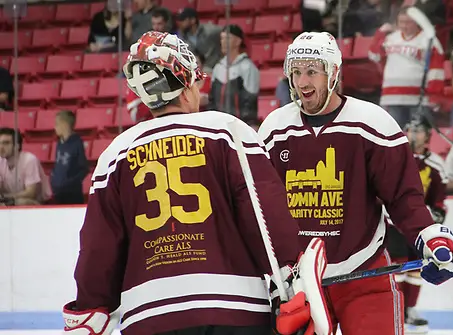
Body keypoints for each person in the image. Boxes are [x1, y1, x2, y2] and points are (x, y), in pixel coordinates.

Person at [62, 31, 329, 335]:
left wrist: (90, 305)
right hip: (235, 309)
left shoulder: (117, 152)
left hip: (149, 317)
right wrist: (292, 275)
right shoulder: (226, 130)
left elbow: (99, 245)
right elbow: (263, 212)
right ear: (186, 86)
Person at [258, 31, 453, 334]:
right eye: (296, 72)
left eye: (312, 71)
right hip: (299, 283)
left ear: (334, 73)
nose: (302, 82)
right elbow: (261, 209)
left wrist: (428, 236)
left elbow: (403, 197)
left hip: (365, 273)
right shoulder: (274, 129)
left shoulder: (372, 123)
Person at [386, 116, 448, 334]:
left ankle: (409, 310)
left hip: (419, 223)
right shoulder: (397, 157)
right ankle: (396, 308)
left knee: (416, 269)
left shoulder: (435, 164)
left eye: (418, 131)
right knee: (397, 267)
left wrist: (437, 212)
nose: (413, 135)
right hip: (393, 223)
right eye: (410, 130)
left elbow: (439, 196)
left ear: (428, 135)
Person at [0, 128, 51, 205]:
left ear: (17, 146)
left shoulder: (29, 160)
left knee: (21, 202)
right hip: (11, 201)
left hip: (41, 203)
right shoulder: (1, 161)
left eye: (6, 143)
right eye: (0, 143)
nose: (1, 147)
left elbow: (31, 193)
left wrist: (5, 197)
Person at [51, 111, 89, 204]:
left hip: (72, 194)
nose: (54, 127)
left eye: (57, 124)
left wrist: (71, 182)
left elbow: (83, 168)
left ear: (65, 125)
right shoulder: (59, 143)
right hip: (58, 192)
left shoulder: (77, 143)